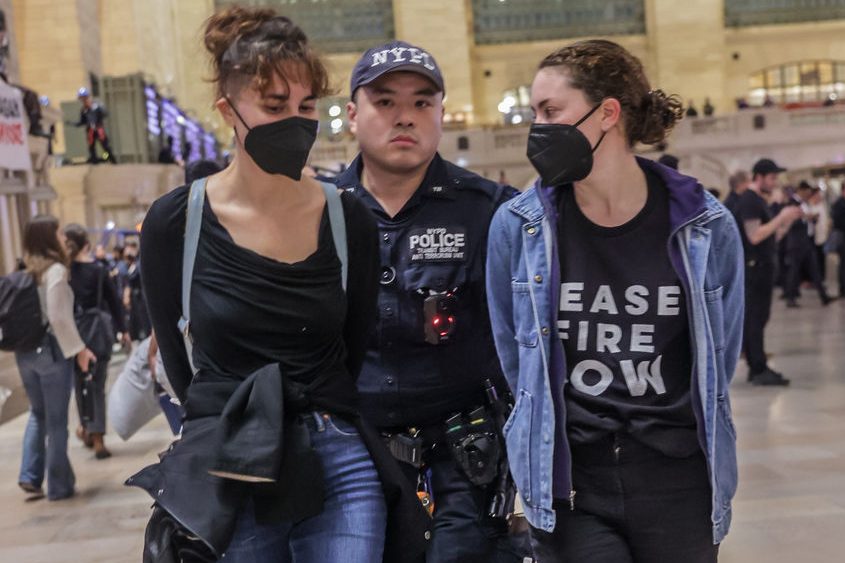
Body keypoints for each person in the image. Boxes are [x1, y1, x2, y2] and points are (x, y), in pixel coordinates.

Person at [129, 7, 427, 562]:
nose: (296, 120)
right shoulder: (177, 221)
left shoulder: (347, 218)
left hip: (339, 457)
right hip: (233, 460)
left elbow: (351, 345)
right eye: (274, 106)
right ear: (227, 110)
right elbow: (179, 362)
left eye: (306, 105)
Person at [486, 39, 744, 563]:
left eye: (550, 111)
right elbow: (515, 360)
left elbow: (720, 354)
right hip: (574, 482)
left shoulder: (705, 226)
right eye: (534, 112)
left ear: (607, 114)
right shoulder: (518, 227)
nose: (536, 128)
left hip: (679, 480)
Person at [333, 40, 524, 563]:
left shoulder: (492, 212)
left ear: (441, 114)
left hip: (465, 449)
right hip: (357, 452)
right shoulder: (318, 215)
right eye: (385, 102)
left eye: (422, 103)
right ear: (353, 115)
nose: (405, 117)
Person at [17, 216, 96, 501]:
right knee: (56, 421)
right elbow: (59, 317)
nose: (64, 237)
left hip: (25, 353)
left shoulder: (25, 269)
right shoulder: (56, 271)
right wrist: (80, 351)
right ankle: (59, 487)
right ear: (49, 237)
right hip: (51, 351)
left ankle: (29, 475)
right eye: (59, 232)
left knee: (38, 414)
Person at [734, 159, 803, 385]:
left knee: (760, 317)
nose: (775, 183)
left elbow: (770, 237)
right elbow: (754, 235)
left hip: (763, 268)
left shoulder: (759, 201)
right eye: (772, 178)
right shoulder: (750, 201)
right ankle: (758, 367)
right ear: (759, 177)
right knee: (755, 318)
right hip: (755, 269)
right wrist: (781, 218)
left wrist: (786, 222)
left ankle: (758, 365)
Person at [63, 223, 129, 459]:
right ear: (87, 245)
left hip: (72, 334)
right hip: (98, 333)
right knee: (98, 386)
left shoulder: (65, 272)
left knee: (80, 385)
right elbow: (114, 302)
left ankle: (87, 428)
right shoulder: (99, 270)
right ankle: (98, 435)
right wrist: (124, 330)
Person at [781, 184, 833, 307]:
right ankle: (790, 297)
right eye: (806, 191)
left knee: (814, 268)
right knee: (794, 271)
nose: (808, 194)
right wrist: (807, 217)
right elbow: (791, 221)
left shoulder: (805, 203)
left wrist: (812, 218)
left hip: (806, 240)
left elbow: (808, 219)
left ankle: (823, 296)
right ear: (801, 190)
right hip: (796, 242)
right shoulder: (792, 202)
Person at [70, 88, 117, 164]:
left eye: (85, 98)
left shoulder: (97, 105)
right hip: (90, 131)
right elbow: (82, 121)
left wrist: (95, 108)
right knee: (91, 148)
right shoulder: (83, 110)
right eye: (82, 99)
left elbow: (105, 114)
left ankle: (109, 159)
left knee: (106, 147)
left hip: (99, 129)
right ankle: (95, 162)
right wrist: (74, 124)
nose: (84, 100)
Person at [806, 188, 831, 281]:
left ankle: (821, 278)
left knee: (822, 258)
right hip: (813, 236)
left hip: (823, 236)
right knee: (814, 259)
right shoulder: (809, 205)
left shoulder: (822, 206)